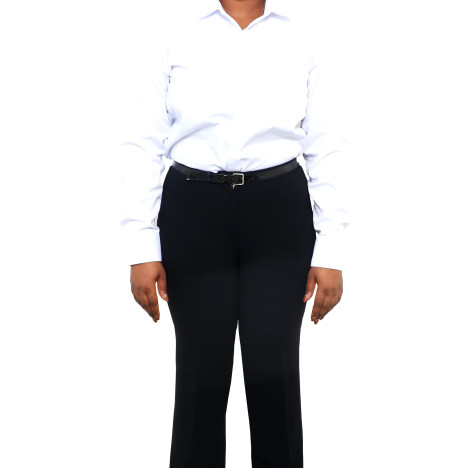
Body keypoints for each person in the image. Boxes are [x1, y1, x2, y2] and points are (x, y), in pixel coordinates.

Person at [118, 0, 350, 466]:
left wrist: (332, 247)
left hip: (279, 211)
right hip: (193, 211)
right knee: (200, 377)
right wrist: (141, 243)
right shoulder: (171, 29)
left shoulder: (307, 32)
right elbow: (142, 139)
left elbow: (328, 142)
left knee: (274, 372)